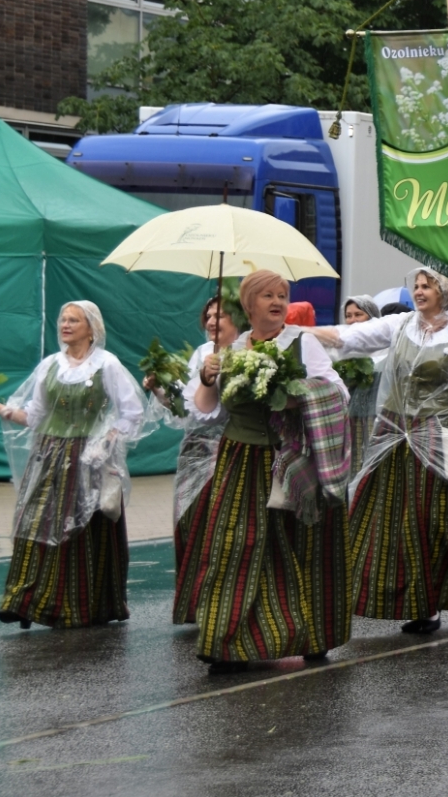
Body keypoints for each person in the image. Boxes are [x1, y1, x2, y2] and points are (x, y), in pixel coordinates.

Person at [312, 269, 448, 636]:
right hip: (394, 431)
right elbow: (349, 337)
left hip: (441, 437)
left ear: (445, 292)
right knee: (376, 514)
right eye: (417, 285)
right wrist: (297, 332)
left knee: (433, 520)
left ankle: (430, 599)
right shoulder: (400, 325)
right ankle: (374, 593)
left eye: (428, 285)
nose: (420, 291)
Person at [190, 270, 351, 672]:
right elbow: (206, 410)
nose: (277, 302)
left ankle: (312, 635)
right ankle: (224, 641)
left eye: (282, 295)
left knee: (297, 547)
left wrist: (297, 396)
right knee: (232, 546)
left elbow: (338, 393)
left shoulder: (302, 342)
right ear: (248, 305)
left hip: (289, 458)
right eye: (267, 295)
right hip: (239, 459)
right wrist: (207, 377)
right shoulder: (231, 347)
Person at [0, 301, 152, 629]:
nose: (66, 325)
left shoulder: (107, 364)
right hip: (48, 457)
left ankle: (80, 605)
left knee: (79, 531)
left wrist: (106, 440)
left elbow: (133, 413)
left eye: (74, 320)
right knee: (32, 524)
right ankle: (22, 600)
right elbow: (35, 416)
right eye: (63, 319)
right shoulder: (50, 365)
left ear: (92, 328)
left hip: (88, 458)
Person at [152, 295, 238, 624]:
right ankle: (196, 600)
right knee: (189, 522)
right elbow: (190, 408)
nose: (213, 321)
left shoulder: (247, 351)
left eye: (221, 315)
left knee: (219, 524)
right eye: (209, 315)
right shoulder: (202, 353)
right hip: (195, 449)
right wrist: (163, 392)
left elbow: (216, 407)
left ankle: (221, 601)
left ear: (238, 321)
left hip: (230, 448)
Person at [336, 294, 385, 485]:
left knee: (373, 470)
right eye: (348, 315)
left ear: (372, 316)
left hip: (377, 419)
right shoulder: (342, 349)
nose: (352, 320)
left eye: (358, 314)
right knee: (352, 469)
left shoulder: (386, 347)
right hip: (349, 420)